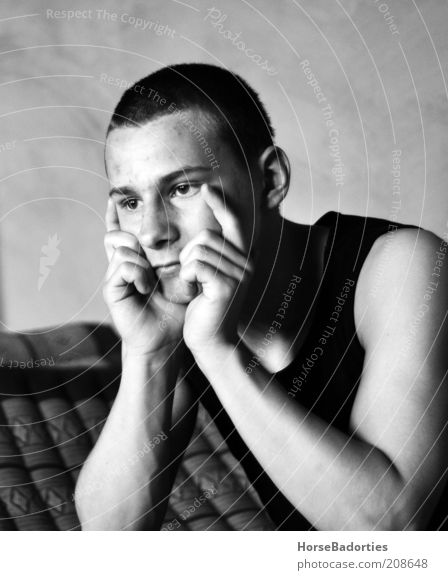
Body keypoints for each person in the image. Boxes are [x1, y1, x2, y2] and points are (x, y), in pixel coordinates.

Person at [74, 63, 448, 530]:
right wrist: (146, 353)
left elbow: (390, 530)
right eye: (130, 202)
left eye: (182, 188)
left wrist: (219, 349)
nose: (152, 233)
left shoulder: (402, 264)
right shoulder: (182, 314)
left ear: (271, 179)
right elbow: (108, 537)